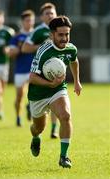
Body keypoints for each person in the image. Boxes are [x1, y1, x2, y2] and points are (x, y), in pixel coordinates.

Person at [28, 16, 82, 168]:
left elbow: (74, 60)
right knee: (38, 127)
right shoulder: (43, 51)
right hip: (38, 94)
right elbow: (32, 78)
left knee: (65, 115)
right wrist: (50, 83)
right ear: (51, 35)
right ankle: (36, 137)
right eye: (61, 35)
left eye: (67, 34)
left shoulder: (71, 48)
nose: (65, 38)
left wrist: (77, 81)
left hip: (58, 89)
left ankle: (63, 157)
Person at [22, 3, 58, 138]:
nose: (50, 15)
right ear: (42, 17)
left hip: (56, 71)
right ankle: (36, 128)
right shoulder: (38, 31)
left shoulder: (60, 28)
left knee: (57, 99)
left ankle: (54, 129)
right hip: (40, 72)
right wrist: (41, 46)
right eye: (47, 13)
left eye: (52, 13)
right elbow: (25, 48)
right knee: (42, 106)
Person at [7, 10, 35, 126]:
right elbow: (11, 53)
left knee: (33, 93)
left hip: (33, 70)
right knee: (19, 96)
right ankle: (18, 116)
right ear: (22, 22)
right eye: (27, 20)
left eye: (31, 20)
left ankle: (30, 107)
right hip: (20, 70)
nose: (29, 23)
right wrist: (20, 48)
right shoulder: (17, 37)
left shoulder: (36, 35)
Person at [0, 10, 15, 120]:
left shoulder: (8, 32)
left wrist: (8, 50)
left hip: (4, 64)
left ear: (3, 19)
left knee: (2, 91)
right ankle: (0, 111)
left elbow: (12, 46)